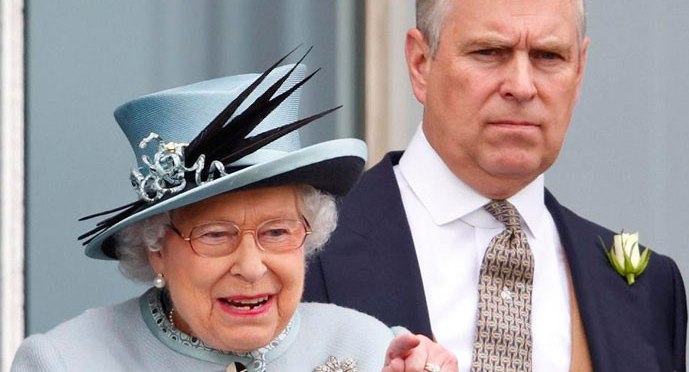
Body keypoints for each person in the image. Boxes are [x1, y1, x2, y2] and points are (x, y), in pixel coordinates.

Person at [303, 0, 687, 371]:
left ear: (579, 72)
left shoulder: (650, 292)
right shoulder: (299, 253)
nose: (521, 86)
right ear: (420, 64)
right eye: (489, 52)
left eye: (548, 56)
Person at [11, 53, 458, 372]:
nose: (251, 267)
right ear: (155, 249)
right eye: (215, 235)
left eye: (277, 232)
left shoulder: (371, 349)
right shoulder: (66, 361)